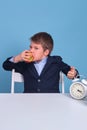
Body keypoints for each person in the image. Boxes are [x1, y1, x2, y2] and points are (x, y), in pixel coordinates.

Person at [3, 32, 79, 93]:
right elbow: (6, 65)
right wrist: (18, 58)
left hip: (53, 102)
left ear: (46, 52)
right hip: (29, 102)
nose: (31, 50)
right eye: (31, 47)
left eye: (36, 48)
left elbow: (73, 73)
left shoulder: (56, 62)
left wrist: (73, 74)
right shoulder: (25, 63)